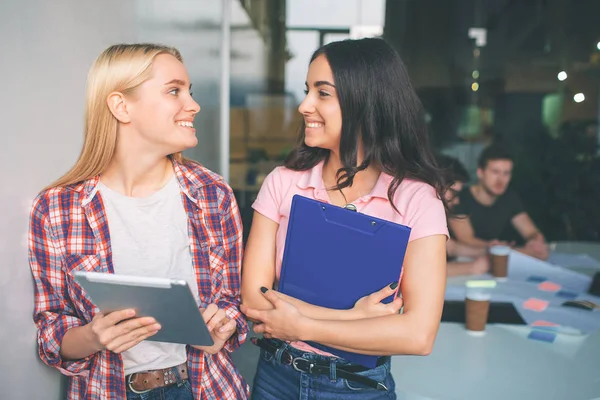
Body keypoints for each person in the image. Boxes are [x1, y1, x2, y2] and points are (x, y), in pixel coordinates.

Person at [28, 44, 249, 399]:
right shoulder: (57, 207)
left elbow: (231, 303)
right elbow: (52, 327)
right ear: (121, 106)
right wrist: (92, 337)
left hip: (206, 388)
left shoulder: (212, 193)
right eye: (174, 91)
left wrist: (223, 327)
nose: (193, 105)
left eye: (188, 92)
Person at [240, 38, 448, 399]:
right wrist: (354, 317)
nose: (305, 105)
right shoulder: (283, 182)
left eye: (323, 93)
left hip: (358, 388)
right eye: (307, 90)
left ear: (365, 101)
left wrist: (301, 324)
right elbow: (256, 303)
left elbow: (418, 335)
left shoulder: (417, 200)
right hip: (276, 379)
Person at [448, 143, 549, 260]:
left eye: (506, 173)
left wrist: (535, 241)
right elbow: (466, 240)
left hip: (495, 264)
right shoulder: (460, 198)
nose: (500, 180)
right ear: (480, 172)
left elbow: (531, 231)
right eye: (495, 172)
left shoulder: (509, 197)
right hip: (461, 263)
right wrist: (508, 249)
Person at [436, 154, 490, 276]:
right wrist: (473, 267)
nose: (457, 201)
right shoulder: (418, 218)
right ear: (436, 185)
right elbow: (423, 271)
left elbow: (451, 248)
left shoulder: (432, 218)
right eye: (453, 193)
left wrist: (489, 253)